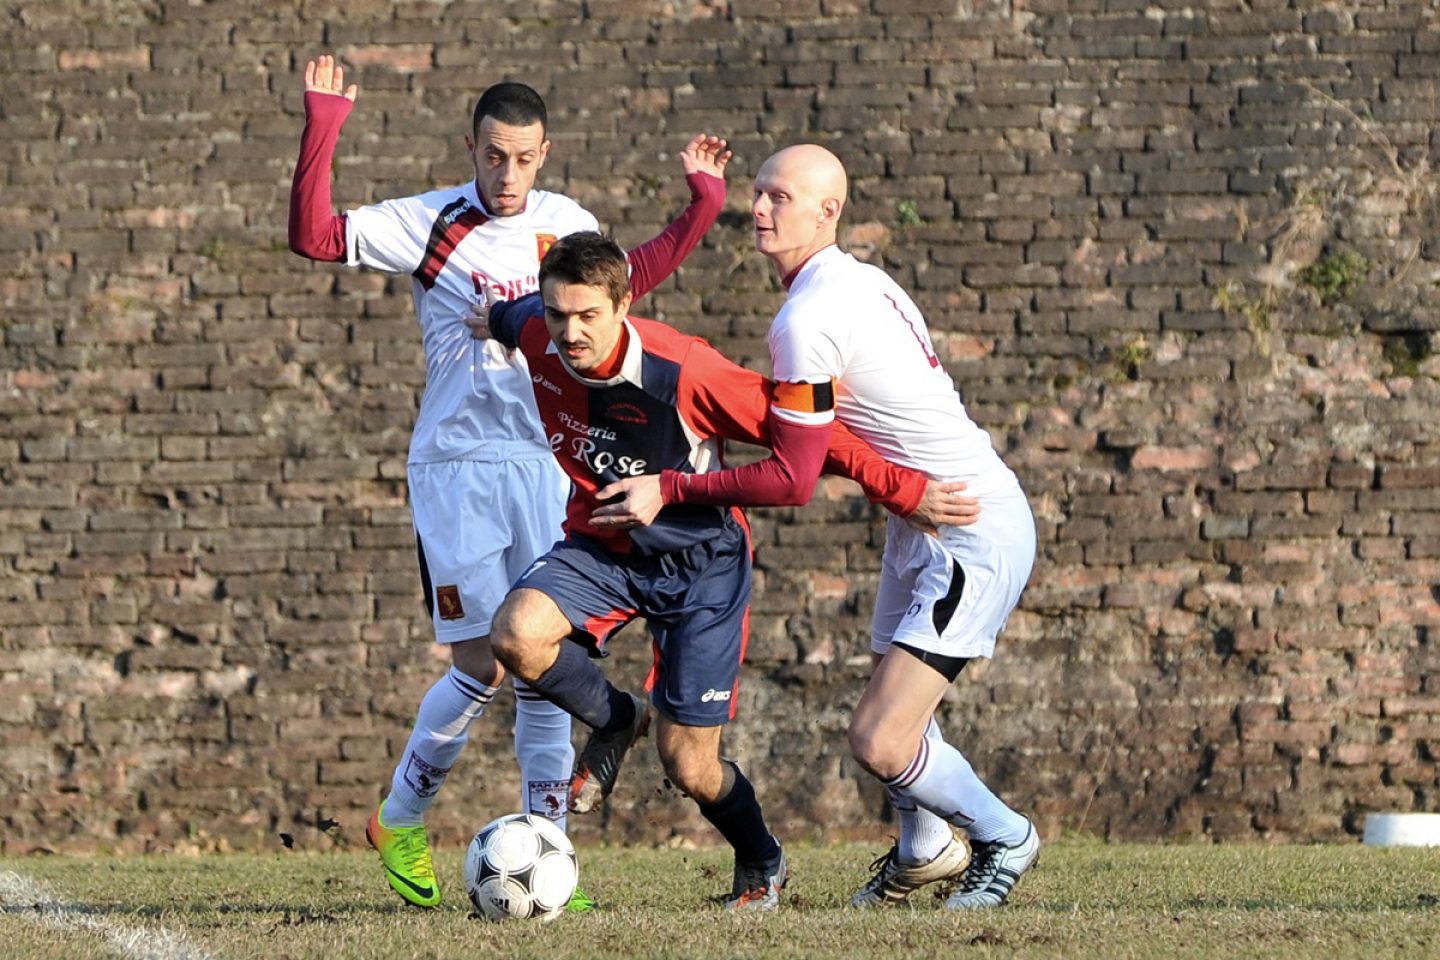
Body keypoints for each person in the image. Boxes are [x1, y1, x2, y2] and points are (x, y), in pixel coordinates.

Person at [286, 53, 731, 910]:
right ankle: (402, 816)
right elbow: (315, 236)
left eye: (525, 158)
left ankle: (549, 854)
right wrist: (324, 125)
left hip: (546, 465)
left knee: (543, 663)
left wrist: (701, 207)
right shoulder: (431, 220)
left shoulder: (566, 222)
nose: (509, 174)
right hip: (457, 469)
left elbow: (623, 281)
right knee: (479, 669)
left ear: (545, 153)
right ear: (472, 147)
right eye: (495, 156)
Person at [471, 232, 978, 911]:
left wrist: (903, 490)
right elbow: (510, 317)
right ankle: (618, 719)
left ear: (625, 303)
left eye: (589, 315)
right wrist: (490, 317)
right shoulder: (537, 330)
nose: (571, 332)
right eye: (558, 314)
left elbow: (807, 431)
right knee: (515, 634)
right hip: (606, 546)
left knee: (688, 765)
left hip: (699, 566)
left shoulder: (685, 371)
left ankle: (761, 860)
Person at [597, 143, 1040, 910]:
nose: (759, 209)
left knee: (880, 740)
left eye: (780, 198)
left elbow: (792, 477)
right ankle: (924, 848)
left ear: (827, 211)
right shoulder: (860, 281)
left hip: (970, 528)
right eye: (758, 193)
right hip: (924, 523)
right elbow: (832, 438)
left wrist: (670, 485)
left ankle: (1005, 838)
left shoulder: (806, 318)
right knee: (889, 711)